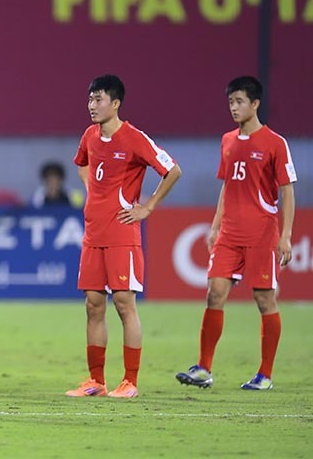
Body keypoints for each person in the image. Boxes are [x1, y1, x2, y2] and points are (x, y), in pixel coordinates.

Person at [176, 76, 296, 391]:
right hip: (229, 233)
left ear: (255, 104)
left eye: (239, 101)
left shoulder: (275, 143)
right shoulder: (227, 140)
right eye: (231, 102)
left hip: (261, 234)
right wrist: (215, 225)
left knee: (264, 298)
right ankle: (204, 368)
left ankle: (265, 375)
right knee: (214, 292)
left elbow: (287, 191)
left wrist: (285, 235)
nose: (233, 107)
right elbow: (227, 185)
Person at [66, 74, 181, 399]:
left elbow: (173, 170)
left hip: (121, 233)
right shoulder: (89, 135)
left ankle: (130, 381)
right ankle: (96, 381)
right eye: (90, 99)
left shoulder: (134, 138)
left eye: (99, 99)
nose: (92, 105)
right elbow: (82, 165)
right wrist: (92, 189)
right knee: (93, 305)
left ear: (115, 103)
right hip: (93, 234)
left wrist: (149, 207)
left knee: (123, 304)